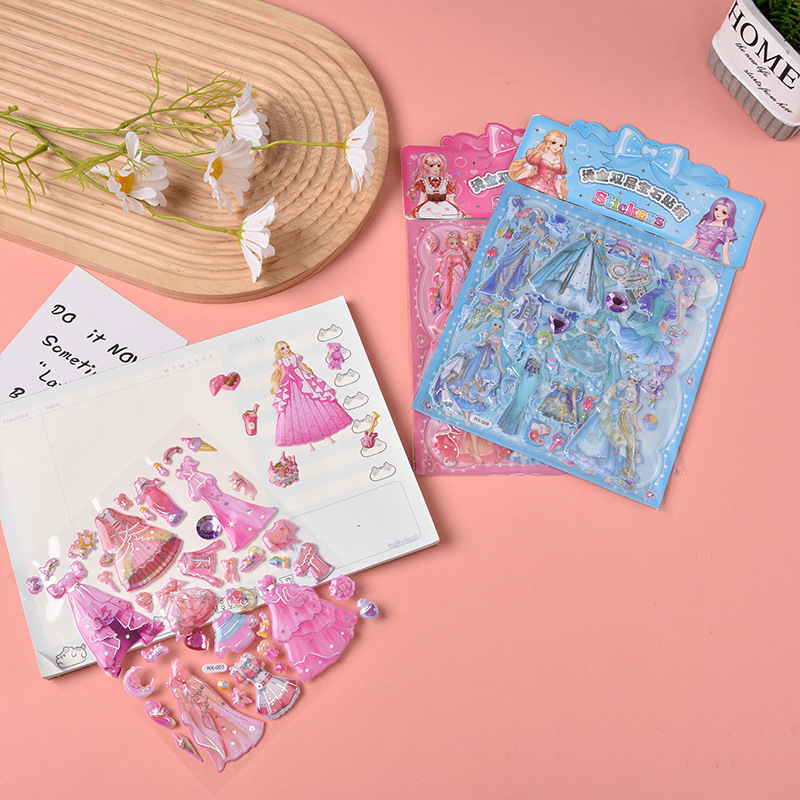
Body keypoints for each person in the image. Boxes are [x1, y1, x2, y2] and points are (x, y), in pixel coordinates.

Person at [270, 341, 352, 450]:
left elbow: (302, 367)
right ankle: (307, 442)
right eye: (283, 348)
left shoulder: (295, 357)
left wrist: (311, 376)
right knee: (298, 413)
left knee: (316, 406)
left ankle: (326, 435)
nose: (286, 349)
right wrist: (281, 387)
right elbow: (283, 374)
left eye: (287, 347)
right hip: (291, 385)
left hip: (303, 381)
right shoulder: (281, 361)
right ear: (279, 351)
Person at [508, 129, 568, 200]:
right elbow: (528, 171)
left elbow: (557, 182)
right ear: (548, 141)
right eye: (554, 143)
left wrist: (561, 198)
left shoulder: (560, 160)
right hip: (535, 184)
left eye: (561, 145)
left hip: (551, 190)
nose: (557, 147)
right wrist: (515, 183)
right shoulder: (539, 154)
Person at [407, 152, 466, 218]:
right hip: (429, 206)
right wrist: (417, 210)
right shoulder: (424, 182)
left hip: (444, 206)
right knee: (425, 215)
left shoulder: (446, 182)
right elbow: (421, 200)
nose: (435, 168)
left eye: (438, 166)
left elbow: (451, 200)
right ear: (426, 167)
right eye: (431, 166)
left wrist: (458, 210)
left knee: (450, 215)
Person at [681, 197, 737, 265]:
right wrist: (677, 250)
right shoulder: (705, 223)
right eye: (716, 209)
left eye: (724, 212)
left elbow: (725, 254)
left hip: (708, 258)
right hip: (695, 252)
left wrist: (727, 268)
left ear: (729, 215)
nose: (718, 213)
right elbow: (691, 241)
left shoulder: (726, 231)